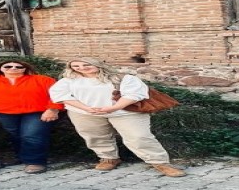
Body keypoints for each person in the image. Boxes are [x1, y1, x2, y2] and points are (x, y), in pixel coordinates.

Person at [49, 58, 186, 177]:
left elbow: (134, 95)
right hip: (84, 113)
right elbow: (61, 96)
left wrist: (114, 108)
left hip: (124, 112)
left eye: (86, 64)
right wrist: (86, 108)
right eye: (76, 66)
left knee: (138, 137)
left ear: (97, 64)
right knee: (95, 137)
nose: (82, 68)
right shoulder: (68, 81)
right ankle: (109, 158)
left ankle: (160, 163)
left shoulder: (122, 78)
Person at [0, 60, 64, 174]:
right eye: (8, 66)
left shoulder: (43, 80)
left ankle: (35, 162)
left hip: (37, 112)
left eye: (18, 66)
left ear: (25, 68)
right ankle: (21, 157)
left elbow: (58, 95)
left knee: (32, 135)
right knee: (16, 135)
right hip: (4, 113)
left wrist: (53, 109)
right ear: (0, 68)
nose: (13, 68)